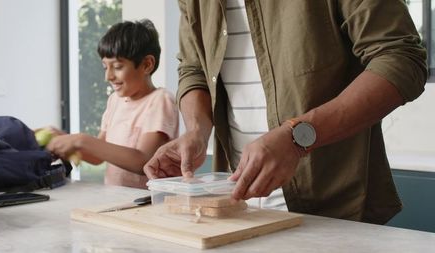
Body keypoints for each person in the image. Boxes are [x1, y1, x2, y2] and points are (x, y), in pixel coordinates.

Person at [143, 0, 427, 224]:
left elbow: (401, 59)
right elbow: (194, 69)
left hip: (336, 213)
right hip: (236, 213)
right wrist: (196, 131)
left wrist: (298, 137)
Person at [47, 19, 179, 189]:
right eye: (105, 67)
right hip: (117, 199)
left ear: (147, 64)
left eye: (117, 67)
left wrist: (82, 140)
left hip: (150, 203)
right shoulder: (115, 101)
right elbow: (97, 156)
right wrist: (64, 139)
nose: (108, 76)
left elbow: (144, 162)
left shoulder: (161, 100)